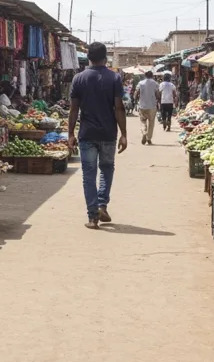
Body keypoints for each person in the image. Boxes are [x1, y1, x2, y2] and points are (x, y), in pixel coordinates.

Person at [67, 42, 128, 230]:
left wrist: (70, 133)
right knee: (107, 169)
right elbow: (119, 107)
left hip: (87, 134)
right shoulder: (114, 78)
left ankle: (93, 217)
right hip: (108, 133)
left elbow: (74, 109)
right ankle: (102, 205)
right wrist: (124, 134)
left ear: (88, 57)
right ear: (106, 57)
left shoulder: (79, 78)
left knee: (89, 175)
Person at [137, 71, 159, 145]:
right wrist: (158, 101)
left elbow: (136, 92)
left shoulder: (140, 83)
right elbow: (157, 94)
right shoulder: (155, 83)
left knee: (142, 121)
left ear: (145, 76)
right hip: (152, 106)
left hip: (142, 105)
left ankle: (144, 132)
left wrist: (136, 99)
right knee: (151, 123)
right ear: (152, 76)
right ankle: (148, 138)